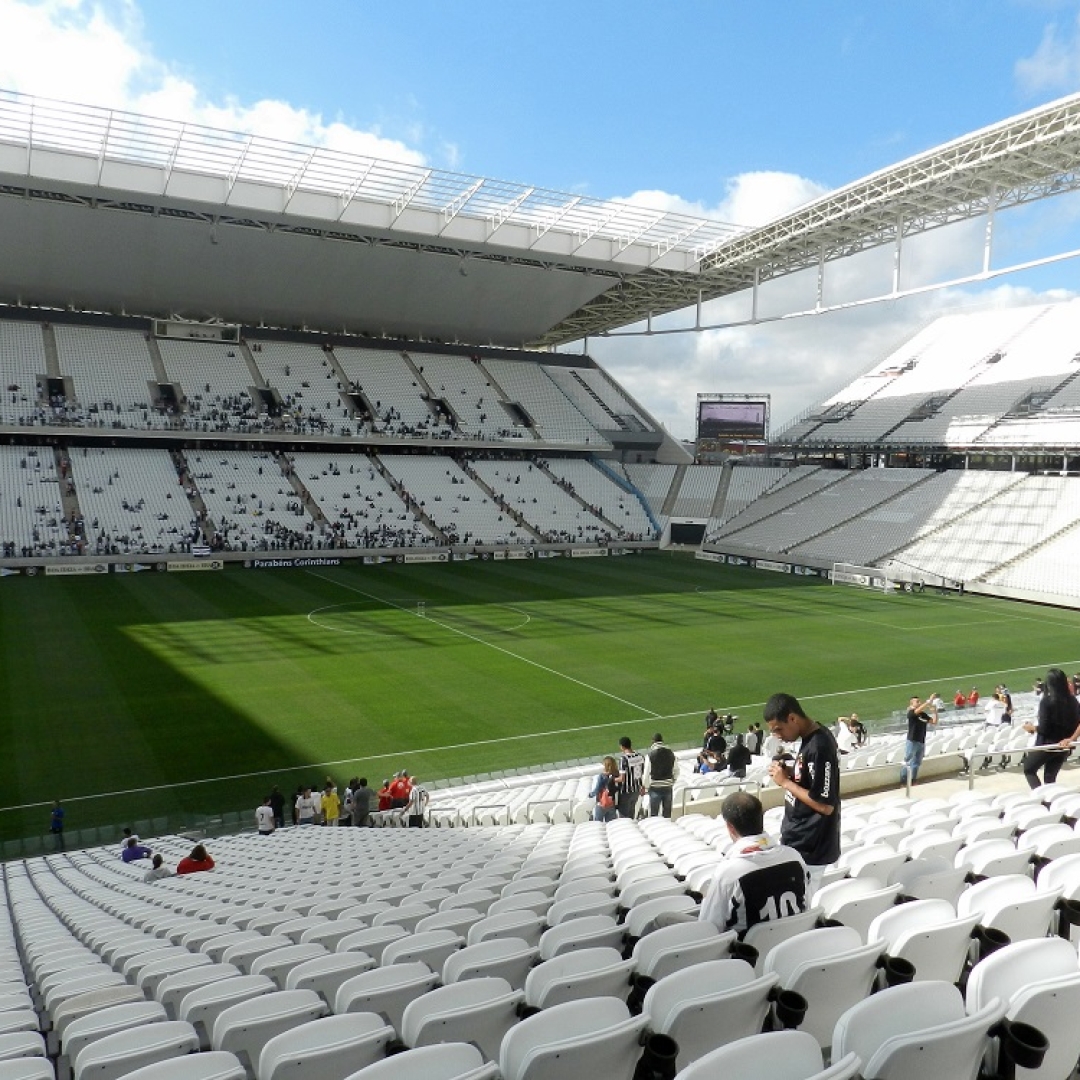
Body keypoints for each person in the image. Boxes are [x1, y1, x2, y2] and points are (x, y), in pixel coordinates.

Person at [765, 692, 840, 893]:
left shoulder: (820, 746)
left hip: (810, 847)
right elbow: (811, 780)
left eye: (778, 729)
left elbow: (825, 805)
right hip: (800, 841)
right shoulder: (811, 740)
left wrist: (785, 783)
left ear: (792, 718)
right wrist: (790, 773)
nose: (777, 735)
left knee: (802, 906)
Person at [1023, 668, 1080, 789]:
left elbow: (1044, 728)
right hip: (1064, 746)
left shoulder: (1047, 702)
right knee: (1050, 777)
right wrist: (1072, 739)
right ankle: (1051, 800)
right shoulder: (1072, 700)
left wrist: (1031, 727)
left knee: (1029, 768)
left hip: (1048, 745)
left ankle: (1042, 798)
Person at [901, 695, 938, 785]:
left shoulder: (923, 714)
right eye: (917, 701)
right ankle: (904, 781)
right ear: (912, 703)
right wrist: (929, 701)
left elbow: (934, 722)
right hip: (912, 740)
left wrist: (934, 712)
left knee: (917, 762)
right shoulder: (911, 712)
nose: (919, 703)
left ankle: (913, 780)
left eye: (919, 701)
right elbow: (916, 711)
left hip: (921, 740)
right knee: (908, 761)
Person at [642, 733, 679, 818]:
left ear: (652, 742)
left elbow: (646, 773)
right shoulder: (670, 753)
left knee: (654, 814)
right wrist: (672, 781)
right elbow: (676, 770)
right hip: (668, 786)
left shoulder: (650, 755)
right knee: (667, 814)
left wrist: (646, 786)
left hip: (655, 787)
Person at [616, 737, 645, 820]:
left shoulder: (623, 759)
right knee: (631, 813)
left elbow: (622, 778)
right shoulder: (640, 756)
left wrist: (612, 779)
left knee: (624, 816)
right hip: (636, 789)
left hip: (626, 791)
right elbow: (642, 774)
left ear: (622, 747)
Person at [590, 756, 619, 822]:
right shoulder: (617, 775)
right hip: (612, 803)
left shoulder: (602, 776)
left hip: (601, 803)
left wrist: (591, 794)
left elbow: (597, 789)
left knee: (598, 823)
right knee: (611, 823)